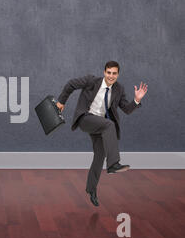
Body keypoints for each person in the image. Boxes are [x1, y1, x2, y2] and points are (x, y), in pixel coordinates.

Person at [56, 61, 148, 207]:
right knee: (109, 125)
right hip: (85, 118)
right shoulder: (91, 81)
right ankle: (113, 164)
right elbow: (70, 84)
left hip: (100, 124)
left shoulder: (118, 89)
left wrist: (136, 100)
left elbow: (126, 109)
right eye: (109, 73)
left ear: (118, 74)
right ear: (104, 72)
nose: (111, 76)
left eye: (114, 73)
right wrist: (61, 101)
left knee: (100, 155)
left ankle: (91, 189)